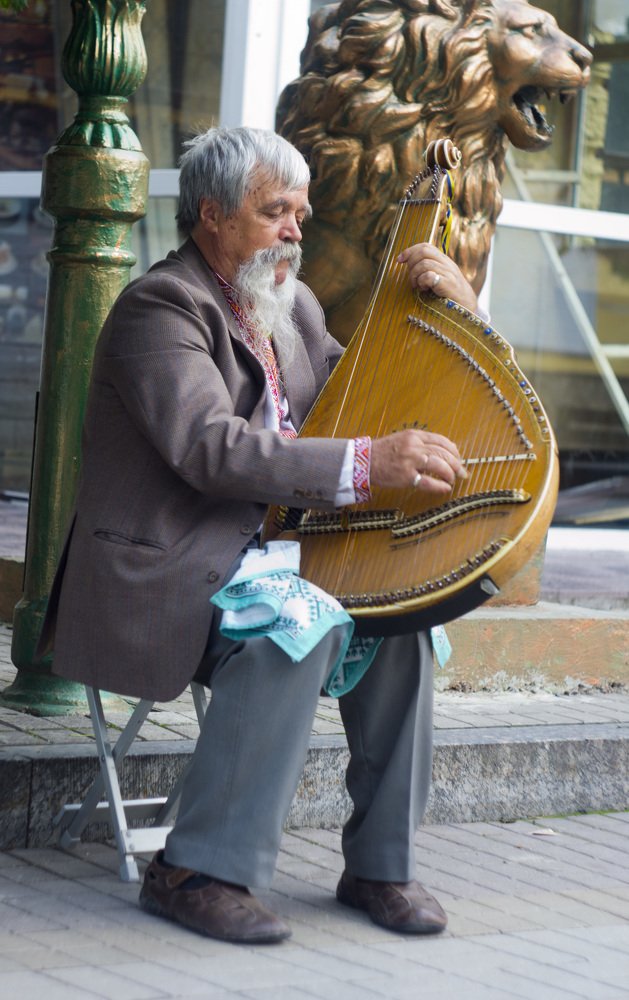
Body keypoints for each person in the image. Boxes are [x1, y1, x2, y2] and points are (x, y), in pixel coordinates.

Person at [39, 126, 479, 945]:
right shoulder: (160, 306)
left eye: (300, 214)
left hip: (279, 560)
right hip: (173, 569)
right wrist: (363, 464)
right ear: (211, 215)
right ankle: (194, 871)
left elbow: (380, 392)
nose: (294, 231)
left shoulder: (293, 305)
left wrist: (462, 309)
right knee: (295, 623)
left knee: (403, 625)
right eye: (274, 211)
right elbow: (209, 447)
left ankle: (380, 865)